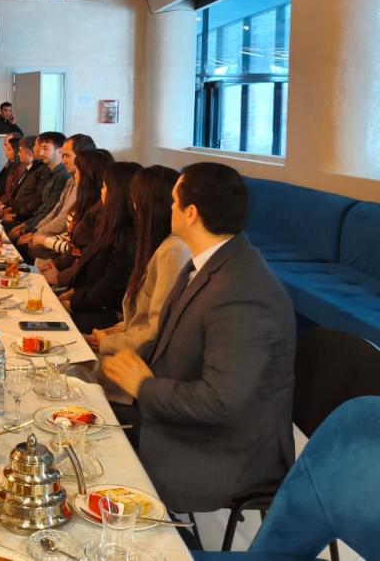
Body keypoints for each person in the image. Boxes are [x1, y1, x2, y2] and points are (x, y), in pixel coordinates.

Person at [103, 162, 296, 513]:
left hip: (226, 452)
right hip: (183, 419)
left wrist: (143, 386)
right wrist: (122, 362)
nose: (169, 208)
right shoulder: (206, 264)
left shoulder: (243, 292)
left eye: (174, 202)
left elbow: (223, 401)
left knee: (95, 464)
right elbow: (166, 339)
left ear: (190, 213)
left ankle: (171, 539)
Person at [87, 166, 191, 404]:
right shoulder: (158, 245)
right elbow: (137, 317)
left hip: (135, 370)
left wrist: (107, 341)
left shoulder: (173, 251)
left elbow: (155, 332)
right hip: (125, 349)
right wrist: (110, 332)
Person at [68, 161, 142, 332]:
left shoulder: (128, 236)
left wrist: (74, 301)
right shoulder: (109, 224)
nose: (101, 191)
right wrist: (73, 293)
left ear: (117, 193)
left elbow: (111, 288)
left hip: (105, 313)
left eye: (105, 187)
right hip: (88, 301)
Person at [20, 133, 95, 258]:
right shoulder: (71, 179)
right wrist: (36, 230)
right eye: (63, 156)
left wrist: (37, 234)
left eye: (67, 156)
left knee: (32, 245)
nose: (63, 160)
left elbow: (64, 219)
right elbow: (56, 209)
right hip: (59, 233)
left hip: (68, 237)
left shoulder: (80, 182)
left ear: (82, 157)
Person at [9, 131, 69, 239]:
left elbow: (50, 212)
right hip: (36, 223)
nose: (41, 153)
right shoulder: (52, 173)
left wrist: (27, 230)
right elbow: (43, 208)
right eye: (40, 148)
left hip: (47, 230)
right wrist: (26, 225)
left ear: (60, 151)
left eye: (45, 149)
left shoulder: (61, 176)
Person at [0, 136, 48, 228]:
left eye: (20, 151)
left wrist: (15, 216)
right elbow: (17, 195)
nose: (18, 154)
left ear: (29, 154)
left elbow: (36, 201)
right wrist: (9, 208)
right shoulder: (30, 168)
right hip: (18, 213)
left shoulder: (42, 171)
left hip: (26, 218)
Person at [0, 133, 22, 203]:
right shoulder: (10, 162)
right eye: (4, 145)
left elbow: (12, 191)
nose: (5, 149)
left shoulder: (19, 166)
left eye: (7, 145)